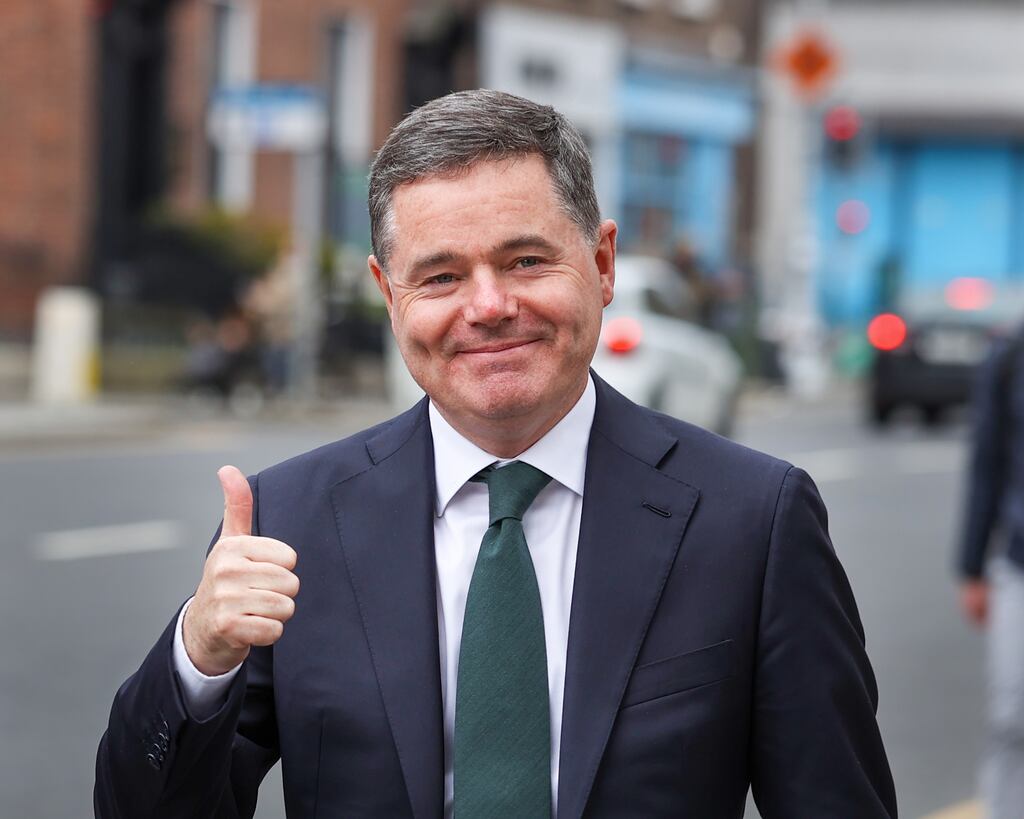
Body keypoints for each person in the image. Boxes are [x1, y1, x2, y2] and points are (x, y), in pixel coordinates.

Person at [95, 89, 896, 818]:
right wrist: (200, 654)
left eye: (525, 261)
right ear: (388, 294)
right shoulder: (289, 521)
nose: (488, 307)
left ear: (603, 263)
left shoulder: (752, 519)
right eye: (441, 276)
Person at [957, 327, 1024, 819]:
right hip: (1018, 564)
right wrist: (971, 566)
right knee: (1013, 717)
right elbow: (987, 461)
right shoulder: (1009, 357)